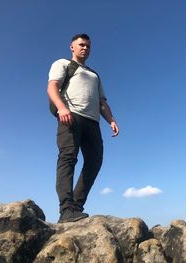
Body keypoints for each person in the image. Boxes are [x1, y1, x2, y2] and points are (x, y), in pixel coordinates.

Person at [47, 33, 119, 223]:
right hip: (70, 116)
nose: (85, 48)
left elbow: (102, 102)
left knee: (95, 161)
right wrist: (62, 108)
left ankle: (77, 207)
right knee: (68, 158)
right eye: (81, 45)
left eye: (88, 46)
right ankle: (66, 209)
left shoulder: (95, 74)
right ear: (72, 47)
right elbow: (52, 87)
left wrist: (111, 120)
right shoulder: (62, 64)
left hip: (92, 122)